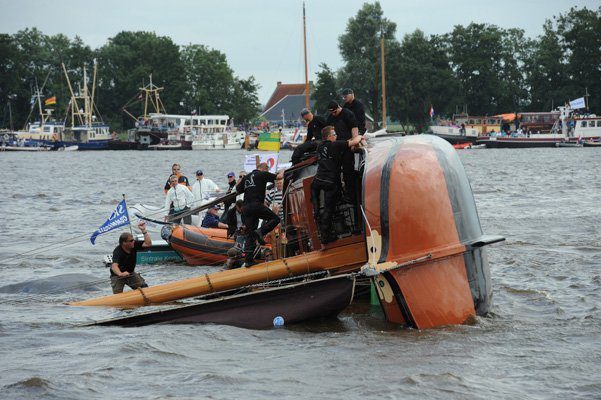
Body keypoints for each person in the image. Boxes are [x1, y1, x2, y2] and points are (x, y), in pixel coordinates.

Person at [311, 126, 363, 244]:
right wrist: (360, 136)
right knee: (329, 209)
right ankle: (326, 236)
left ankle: (321, 232)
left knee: (317, 211)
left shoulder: (320, 146)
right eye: (334, 134)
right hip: (329, 181)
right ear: (329, 136)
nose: (336, 136)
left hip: (317, 181)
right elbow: (354, 141)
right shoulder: (334, 144)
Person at [236, 162, 284, 267]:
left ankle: (248, 260)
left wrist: (241, 178)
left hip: (246, 208)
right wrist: (282, 170)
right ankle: (261, 231)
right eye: (267, 169)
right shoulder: (263, 174)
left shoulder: (247, 177)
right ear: (264, 169)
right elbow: (279, 177)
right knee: (275, 219)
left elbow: (237, 189)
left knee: (250, 233)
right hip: (256, 205)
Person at [325, 100, 360, 203]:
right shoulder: (331, 118)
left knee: (348, 171)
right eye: (331, 112)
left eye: (335, 112)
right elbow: (327, 131)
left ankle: (351, 196)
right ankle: (339, 195)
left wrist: (354, 143)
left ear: (338, 108)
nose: (333, 114)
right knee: (335, 172)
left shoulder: (348, 114)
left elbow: (354, 128)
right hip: (336, 146)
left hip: (348, 145)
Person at [110, 221, 152, 294]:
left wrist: (144, 231)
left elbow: (148, 244)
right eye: (131, 241)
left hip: (130, 273)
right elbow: (114, 266)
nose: (133, 242)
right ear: (124, 243)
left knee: (144, 287)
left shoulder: (134, 244)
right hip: (117, 276)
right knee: (117, 295)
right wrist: (120, 274)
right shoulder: (118, 251)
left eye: (133, 240)